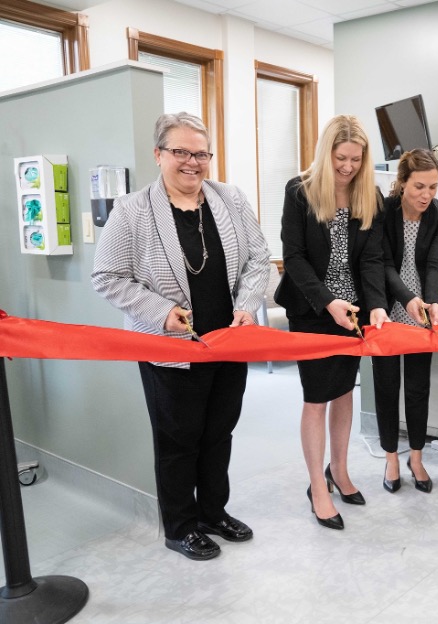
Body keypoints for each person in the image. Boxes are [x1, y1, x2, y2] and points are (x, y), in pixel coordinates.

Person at [92, 112, 270, 560]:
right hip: (168, 350)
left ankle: (212, 512)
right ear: (159, 154)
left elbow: (258, 258)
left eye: (201, 154)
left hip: (227, 343)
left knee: (219, 433)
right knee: (178, 440)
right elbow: (107, 277)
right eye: (181, 152)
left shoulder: (230, 198)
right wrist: (161, 312)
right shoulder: (131, 211)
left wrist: (247, 305)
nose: (193, 162)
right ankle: (180, 526)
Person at [274, 115, 388, 530]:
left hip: (352, 312)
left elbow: (372, 259)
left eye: (356, 160)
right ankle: (317, 487)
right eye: (341, 158)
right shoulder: (299, 191)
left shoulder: (369, 195)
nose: (348, 167)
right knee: (316, 397)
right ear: (327, 154)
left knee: (343, 392)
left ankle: (338, 470)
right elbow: (294, 257)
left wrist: (376, 306)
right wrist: (327, 302)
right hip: (311, 310)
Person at [373, 149, 438, 494]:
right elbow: (383, 263)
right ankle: (391, 458)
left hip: (422, 313)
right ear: (402, 181)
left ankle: (416, 458)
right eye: (419, 186)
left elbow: (435, 264)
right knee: (386, 386)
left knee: (419, 388)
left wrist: (433, 303)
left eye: (433, 187)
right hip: (387, 310)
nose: (426, 195)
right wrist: (408, 299)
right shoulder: (383, 210)